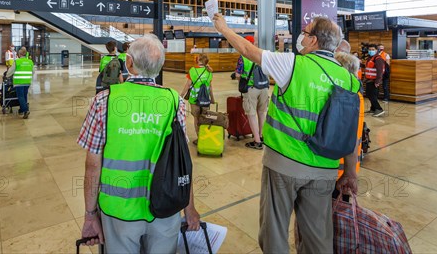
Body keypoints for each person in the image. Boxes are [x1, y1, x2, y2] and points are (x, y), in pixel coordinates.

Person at [212, 14, 360, 253]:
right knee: (318, 236)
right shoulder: (349, 80)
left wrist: (225, 29)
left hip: (284, 163)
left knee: (274, 230)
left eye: (307, 31)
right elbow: (351, 132)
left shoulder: (292, 64)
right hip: (325, 169)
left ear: (314, 41)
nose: (302, 35)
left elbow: (249, 50)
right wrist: (350, 172)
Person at [78, 34, 200, 253]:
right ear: (159, 66)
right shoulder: (175, 103)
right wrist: (189, 208)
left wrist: (89, 215)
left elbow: (93, 165)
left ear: (129, 62)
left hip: (118, 209)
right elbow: (182, 160)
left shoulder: (104, 100)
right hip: (166, 205)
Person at [334, 52, 365, 202]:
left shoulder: (346, 96)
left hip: (338, 169)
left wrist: (349, 172)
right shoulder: (356, 92)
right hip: (348, 167)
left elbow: (347, 134)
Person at [235, 35, 269, 150]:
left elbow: (238, 75)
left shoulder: (243, 57)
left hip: (251, 88)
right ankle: (261, 135)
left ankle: (257, 141)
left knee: (251, 114)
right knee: (261, 112)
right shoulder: (261, 54)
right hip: (264, 87)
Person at [180, 53, 215, 144]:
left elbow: (188, 85)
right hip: (206, 100)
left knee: (196, 119)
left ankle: (199, 138)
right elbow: (210, 87)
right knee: (204, 118)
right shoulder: (209, 72)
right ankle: (205, 137)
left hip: (194, 100)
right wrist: (212, 99)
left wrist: (182, 95)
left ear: (198, 60)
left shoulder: (192, 70)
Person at [7, 47, 34, 119]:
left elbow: (10, 71)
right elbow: (33, 71)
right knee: (24, 96)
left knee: (20, 96)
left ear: (19, 54)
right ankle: (22, 109)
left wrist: (7, 75)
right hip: (27, 82)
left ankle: (25, 110)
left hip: (19, 82)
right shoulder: (30, 61)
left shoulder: (17, 61)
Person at [365, 44, 386, 117]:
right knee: (368, 94)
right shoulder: (370, 58)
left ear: (376, 50)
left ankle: (379, 109)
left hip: (374, 81)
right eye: (369, 49)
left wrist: (378, 81)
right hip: (369, 80)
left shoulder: (378, 59)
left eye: (372, 50)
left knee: (372, 96)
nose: (371, 51)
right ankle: (373, 108)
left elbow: (380, 71)